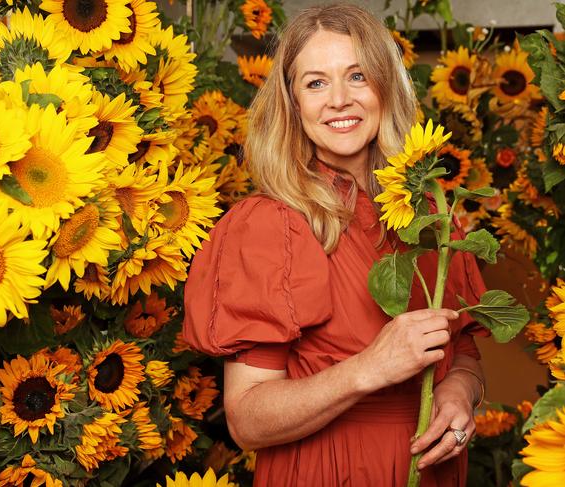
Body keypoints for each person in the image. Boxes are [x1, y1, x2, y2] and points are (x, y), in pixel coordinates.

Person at [183, 4, 488, 486]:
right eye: (316, 83)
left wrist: (459, 389)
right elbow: (246, 420)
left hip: (431, 471)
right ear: (293, 102)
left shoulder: (433, 218)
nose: (339, 100)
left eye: (358, 76)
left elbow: (465, 348)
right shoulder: (270, 224)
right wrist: (368, 369)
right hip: (326, 471)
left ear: (386, 87)